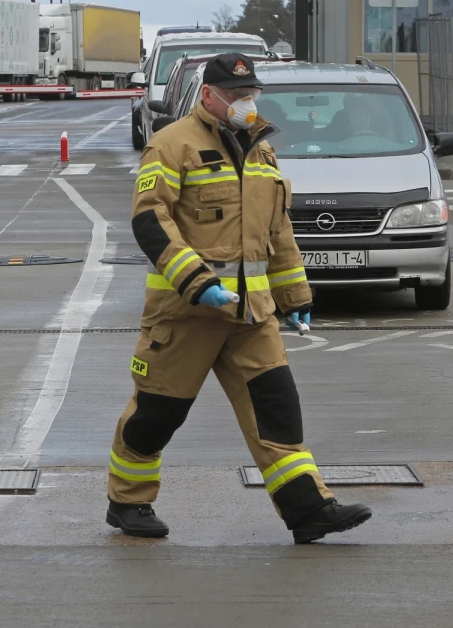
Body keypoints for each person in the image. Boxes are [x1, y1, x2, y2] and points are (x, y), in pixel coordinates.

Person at [107, 53, 372, 544]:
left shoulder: (262, 151)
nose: (246, 102)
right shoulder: (171, 145)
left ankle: (308, 509)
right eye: (236, 94)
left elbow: (278, 230)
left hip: (252, 315)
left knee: (278, 412)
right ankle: (128, 501)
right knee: (156, 416)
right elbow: (150, 220)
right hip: (186, 315)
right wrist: (197, 282)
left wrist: (294, 294)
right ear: (209, 95)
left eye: (251, 93)